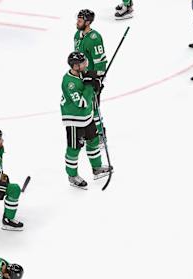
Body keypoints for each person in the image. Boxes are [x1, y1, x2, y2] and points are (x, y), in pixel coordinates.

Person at [61, 52, 112, 189]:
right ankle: (72, 176)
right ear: (75, 66)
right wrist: (90, 86)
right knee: (74, 148)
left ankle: (97, 168)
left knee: (94, 141)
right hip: (74, 119)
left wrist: (97, 85)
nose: (86, 64)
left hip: (87, 117)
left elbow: (91, 92)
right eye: (83, 63)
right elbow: (82, 102)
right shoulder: (69, 82)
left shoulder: (82, 74)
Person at [73, 9, 107, 140]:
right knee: (82, 108)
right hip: (80, 78)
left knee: (93, 108)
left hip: (91, 79)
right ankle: (86, 134)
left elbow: (101, 62)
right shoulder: (77, 35)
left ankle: (100, 135)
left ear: (87, 22)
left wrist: (97, 79)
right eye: (77, 19)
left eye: (80, 20)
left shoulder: (94, 38)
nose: (77, 22)